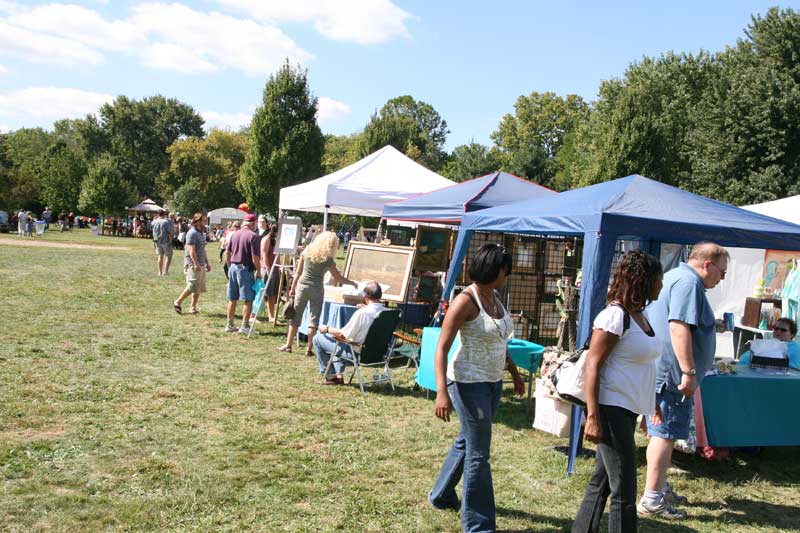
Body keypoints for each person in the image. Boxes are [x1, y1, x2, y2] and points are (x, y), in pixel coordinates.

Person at [429, 244, 526, 533]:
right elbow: (442, 348)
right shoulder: (465, 301)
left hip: (492, 382)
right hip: (467, 383)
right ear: (495, 270)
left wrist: (514, 374)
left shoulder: (495, 296)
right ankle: (479, 526)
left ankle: (441, 494)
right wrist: (441, 391)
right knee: (479, 454)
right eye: (505, 270)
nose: (506, 275)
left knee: (467, 440)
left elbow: (499, 340)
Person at [572, 250, 664, 533]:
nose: (661, 285)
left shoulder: (641, 315)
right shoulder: (614, 316)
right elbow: (593, 366)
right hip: (611, 410)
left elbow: (643, 365)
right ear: (642, 280)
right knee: (624, 489)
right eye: (658, 279)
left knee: (601, 482)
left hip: (628, 410)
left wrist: (653, 405)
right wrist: (593, 416)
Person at [638, 242, 728, 520]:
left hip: (664, 371)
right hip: (673, 376)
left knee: (661, 433)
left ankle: (659, 488)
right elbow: (678, 326)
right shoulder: (689, 283)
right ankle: (652, 498)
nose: (722, 277)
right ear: (707, 264)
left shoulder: (678, 277)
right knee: (664, 436)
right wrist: (688, 372)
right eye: (721, 272)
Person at [279, 231, 357, 354]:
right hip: (317, 289)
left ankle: (288, 345)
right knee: (314, 319)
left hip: (302, 287)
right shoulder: (328, 259)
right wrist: (352, 283)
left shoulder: (306, 252)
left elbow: (298, 273)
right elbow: (338, 278)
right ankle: (309, 349)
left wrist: (292, 288)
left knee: (295, 316)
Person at [313, 281, 385, 385]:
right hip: (378, 354)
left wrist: (327, 328)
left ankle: (331, 377)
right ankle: (338, 375)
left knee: (318, 339)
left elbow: (343, 335)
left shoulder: (362, 314)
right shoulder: (387, 312)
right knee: (340, 342)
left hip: (357, 354)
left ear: (365, 296)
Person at [224, 213, 261, 333]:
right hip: (245, 269)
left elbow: (227, 253)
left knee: (232, 298)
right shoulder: (253, 236)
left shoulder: (234, 234)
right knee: (248, 298)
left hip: (233, 267)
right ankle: (244, 326)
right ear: (253, 224)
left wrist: (230, 266)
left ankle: (229, 325)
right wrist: (259, 271)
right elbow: (255, 256)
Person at [173, 213, 211, 315]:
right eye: (203, 221)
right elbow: (191, 250)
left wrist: (207, 263)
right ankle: (178, 302)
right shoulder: (192, 233)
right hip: (192, 264)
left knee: (198, 287)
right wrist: (196, 264)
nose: (205, 223)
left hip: (201, 263)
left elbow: (203, 249)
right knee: (192, 285)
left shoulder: (201, 233)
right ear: (197, 221)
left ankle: (192, 307)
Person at [259, 221, 279, 322]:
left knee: (273, 294)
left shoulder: (275, 240)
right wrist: (268, 268)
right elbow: (264, 255)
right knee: (265, 294)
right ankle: (255, 315)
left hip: (275, 269)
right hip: (267, 269)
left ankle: (271, 315)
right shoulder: (266, 239)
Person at [151, 210, 175, 276]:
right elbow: (171, 231)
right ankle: (165, 271)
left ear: (158, 214)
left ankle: (159, 272)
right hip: (166, 241)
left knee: (160, 256)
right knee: (169, 256)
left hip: (157, 241)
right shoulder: (166, 222)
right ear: (164, 214)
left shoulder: (154, 222)